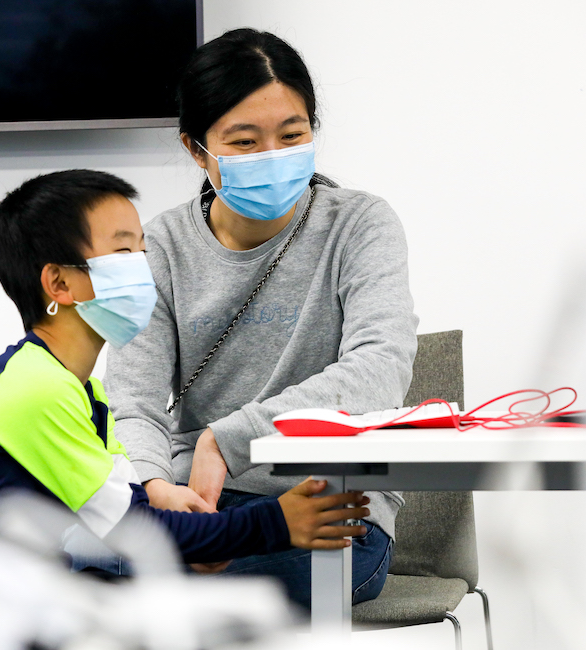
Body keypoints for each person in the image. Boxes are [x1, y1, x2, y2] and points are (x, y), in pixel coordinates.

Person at [0, 169, 372, 571]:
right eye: (123, 253)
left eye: (142, 249)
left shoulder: (79, 388)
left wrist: (171, 501)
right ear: (59, 283)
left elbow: (131, 505)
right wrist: (275, 522)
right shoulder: (36, 390)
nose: (144, 269)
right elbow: (135, 531)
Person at [104, 29, 419, 607]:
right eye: (245, 141)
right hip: (196, 504)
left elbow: (379, 368)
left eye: (292, 135)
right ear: (197, 150)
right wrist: (154, 487)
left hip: (330, 512)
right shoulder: (160, 248)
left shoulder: (361, 225)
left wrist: (227, 441)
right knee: (48, 557)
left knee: (129, 592)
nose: (273, 156)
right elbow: (132, 400)